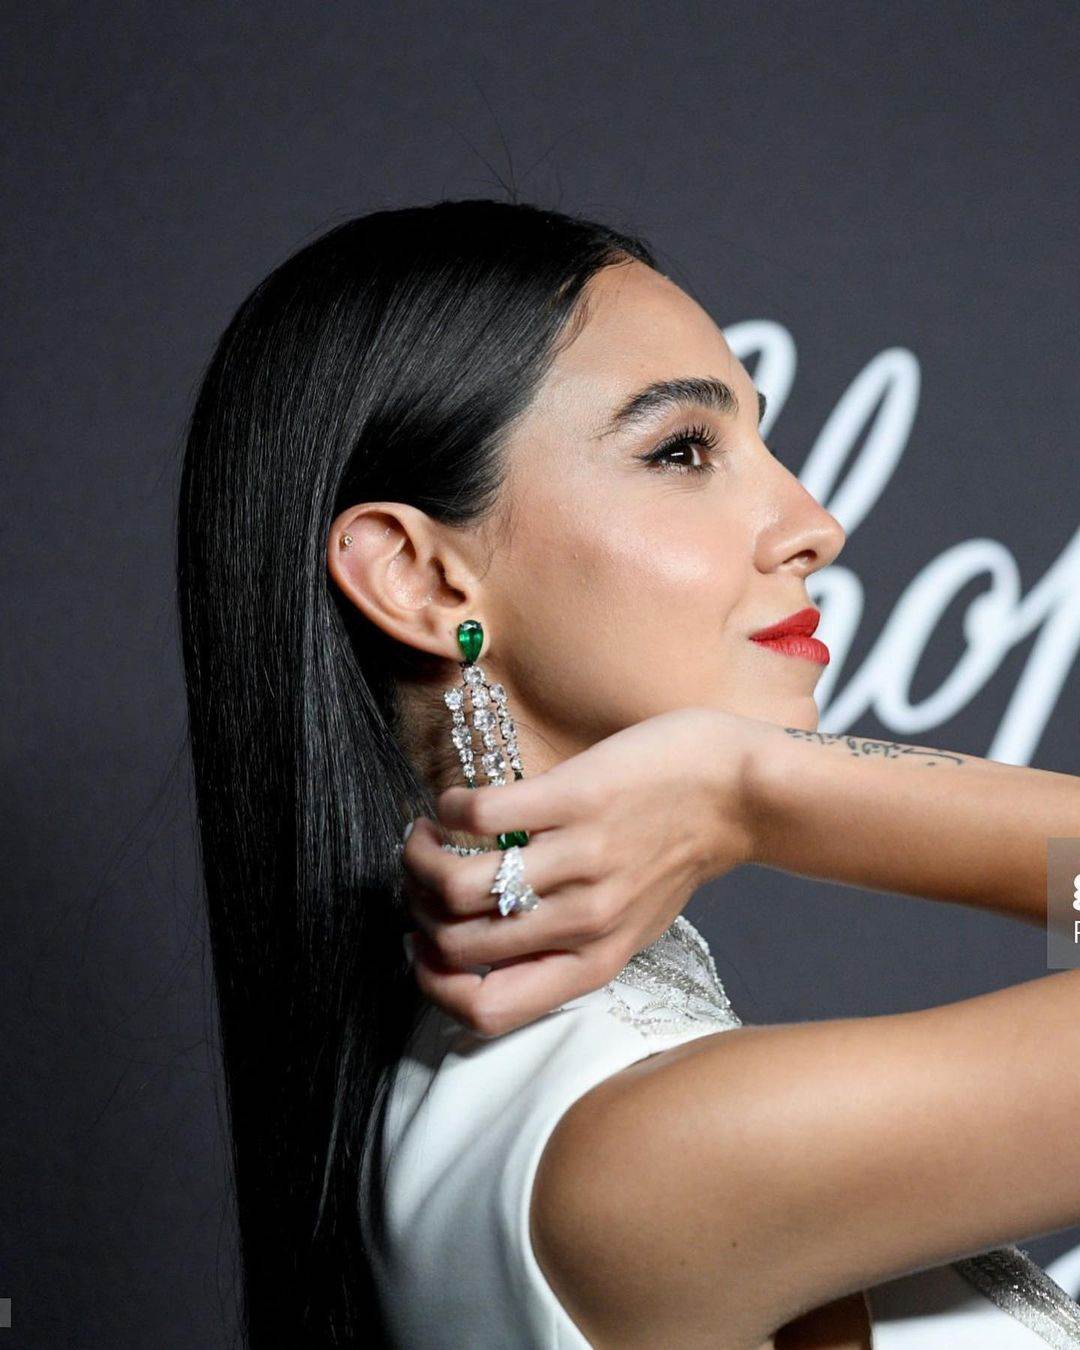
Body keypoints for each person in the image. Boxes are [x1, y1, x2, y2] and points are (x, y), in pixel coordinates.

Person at [177, 196, 1080, 1348]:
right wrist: (760, 791)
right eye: (683, 451)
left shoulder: (540, 1103)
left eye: (762, 440)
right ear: (422, 578)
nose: (814, 522)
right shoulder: (634, 1149)